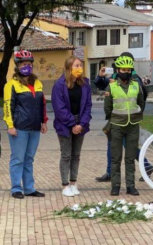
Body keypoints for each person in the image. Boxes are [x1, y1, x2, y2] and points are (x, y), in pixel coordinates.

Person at [94, 52, 152, 182]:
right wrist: (100, 76)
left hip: (129, 121)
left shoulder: (135, 79)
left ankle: (146, 165)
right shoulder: (115, 76)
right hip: (116, 120)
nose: (124, 70)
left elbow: (141, 98)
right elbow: (103, 86)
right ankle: (110, 172)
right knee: (113, 147)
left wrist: (135, 113)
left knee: (128, 148)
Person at [3, 50, 48, 199]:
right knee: (18, 159)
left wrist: (44, 122)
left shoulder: (38, 83)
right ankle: (16, 188)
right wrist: (10, 125)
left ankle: (29, 188)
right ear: (17, 66)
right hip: (19, 128)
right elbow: (8, 106)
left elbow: (42, 104)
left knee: (29, 159)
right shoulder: (12, 85)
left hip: (35, 127)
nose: (27, 66)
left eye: (29, 64)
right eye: (23, 64)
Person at [104, 55, 145, 196]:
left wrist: (137, 115)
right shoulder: (111, 86)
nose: (125, 71)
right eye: (123, 69)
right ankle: (115, 186)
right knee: (116, 157)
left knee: (130, 157)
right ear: (118, 70)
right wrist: (114, 118)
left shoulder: (136, 85)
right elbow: (107, 108)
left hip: (133, 125)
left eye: (128, 69)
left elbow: (141, 103)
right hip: (116, 125)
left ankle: (130, 186)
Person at [52, 56, 92, 197]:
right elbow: (59, 108)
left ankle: (74, 182)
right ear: (69, 68)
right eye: (76, 65)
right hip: (65, 124)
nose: (79, 68)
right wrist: (72, 124)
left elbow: (88, 106)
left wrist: (81, 124)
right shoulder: (59, 85)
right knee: (66, 155)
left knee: (76, 155)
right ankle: (65, 185)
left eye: (80, 65)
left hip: (80, 123)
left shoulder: (85, 84)